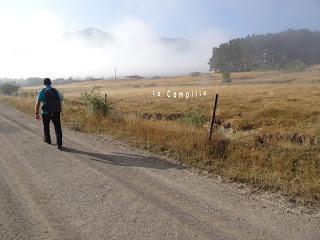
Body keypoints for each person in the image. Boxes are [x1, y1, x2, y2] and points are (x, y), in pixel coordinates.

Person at [34, 78, 63, 150]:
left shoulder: (41, 91)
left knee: (46, 126)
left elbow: (38, 103)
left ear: (44, 83)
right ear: (50, 83)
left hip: (46, 112)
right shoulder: (56, 91)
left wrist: (36, 113)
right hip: (56, 112)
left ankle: (48, 140)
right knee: (57, 127)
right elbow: (60, 101)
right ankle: (59, 143)